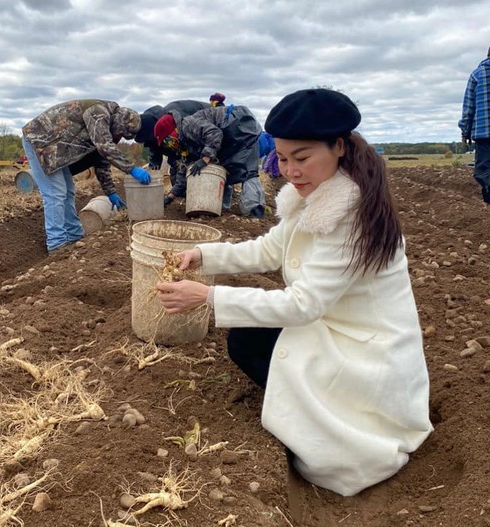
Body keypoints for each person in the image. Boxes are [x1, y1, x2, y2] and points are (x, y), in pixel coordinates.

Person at [155, 89, 433, 499]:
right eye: (282, 159)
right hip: (337, 329)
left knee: (249, 338)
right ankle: (307, 408)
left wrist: (207, 297)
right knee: (250, 337)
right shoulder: (320, 195)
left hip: (370, 351)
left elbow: (304, 305)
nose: (290, 170)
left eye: (301, 158)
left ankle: (339, 429)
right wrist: (200, 255)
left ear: (338, 146)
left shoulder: (350, 215)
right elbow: (269, 248)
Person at [22, 99, 151, 254]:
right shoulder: (99, 112)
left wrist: (111, 192)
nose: (119, 136)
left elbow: (102, 161)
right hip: (39, 140)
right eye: (121, 133)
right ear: (119, 123)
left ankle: (74, 235)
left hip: (57, 148)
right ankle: (57, 244)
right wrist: (131, 169)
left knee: (68, 191)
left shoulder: (106, 126)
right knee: (55, 193)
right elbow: (104, 147)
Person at [154, 104, 266, 217]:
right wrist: (170, 197)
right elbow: (185, 171)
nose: (170, 145)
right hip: (229, 134)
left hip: (239, 126)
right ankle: (221, 207)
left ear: (173, 132)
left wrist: (205, 158)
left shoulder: (187, 125)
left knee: (245, 169)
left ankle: (254, 210)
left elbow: (214, 134)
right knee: (221, 169)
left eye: (167, 141)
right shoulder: (186, 144)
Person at [459, 37, 490, 207]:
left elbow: (469, 107)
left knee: (486, 170)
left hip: (486, 132)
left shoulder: (478, 74)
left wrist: (465, 131)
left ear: (489, 54)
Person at [134, 100, 211, 187]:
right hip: (187, 144)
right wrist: (152, 174)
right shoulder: (155, 133)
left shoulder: (177, 119)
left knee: (199, 170)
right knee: (177, 170)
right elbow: (155, 151)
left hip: (211, 133)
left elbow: (194, 143)